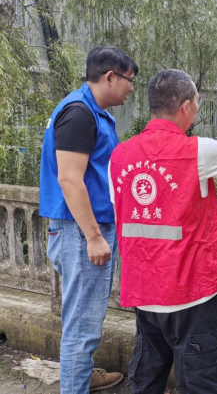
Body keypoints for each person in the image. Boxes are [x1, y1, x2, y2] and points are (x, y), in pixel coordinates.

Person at [109, 69, 217, 393]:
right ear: (186, 107)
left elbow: (124, 216)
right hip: (193, 296)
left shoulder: (119, 156)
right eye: (197, 102)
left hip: (146, 296)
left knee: (146, 380)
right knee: (201, 382)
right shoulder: (198, 151)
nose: (197, 108)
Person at [40, 46, 138, 393]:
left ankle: (81, 376)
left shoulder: (92, 112)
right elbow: (69, 179)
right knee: (82, 327)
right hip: (80, 232)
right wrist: (94, 236)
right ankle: (75, 386)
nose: (131, 88)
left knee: (83, 320)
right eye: (128, 80)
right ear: (110, 77)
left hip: (81, 229)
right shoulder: (80, 113)